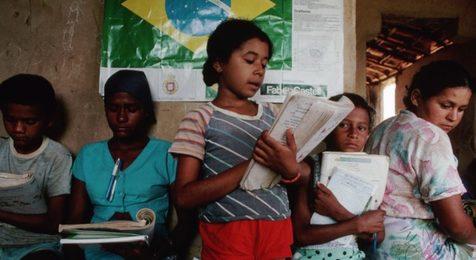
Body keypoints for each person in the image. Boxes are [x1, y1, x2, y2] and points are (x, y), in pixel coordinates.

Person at [169, 19, 311, 259]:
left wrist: (291, 169)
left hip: (277, 228)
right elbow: (184, 197)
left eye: (264, 64)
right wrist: (254, 164)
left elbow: (301, 174)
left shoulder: (272, 116)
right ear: (219, 63)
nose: (259, 70)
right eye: (249, 60)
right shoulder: (200, 119)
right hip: (226, 231)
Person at [68, 70, 194, 259]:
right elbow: (75, 220)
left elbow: (188, 220)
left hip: (150, 249)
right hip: (98, 250)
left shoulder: (165, 154)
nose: (121, 117)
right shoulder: (89, 155)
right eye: (113, 108)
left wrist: (164, 248)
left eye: (131, 108)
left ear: (145, 111)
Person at [365, 60, 476, 259]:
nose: (453, 117)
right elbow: (455, 224)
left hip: (377, 242)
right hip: (416, 247)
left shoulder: (384, 128)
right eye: (446, 105)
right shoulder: (431, 137)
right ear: (416, 97)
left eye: (461, 109)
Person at [291, 93, 385, 260]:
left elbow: (378, 236)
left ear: (368, 135)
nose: (353, 134)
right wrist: (357, 224)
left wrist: (338, 212)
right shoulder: (309, 169)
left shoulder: (372, 171)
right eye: (343, 125)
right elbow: (301, 235)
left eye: (361, 128)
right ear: (327, 129)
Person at [0, 74, 72, 259]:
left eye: (29, 122)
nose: (18, 129)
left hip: (38, 245)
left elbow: (54, 223)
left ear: (49, 120)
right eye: (10, 120)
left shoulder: (57, 157)